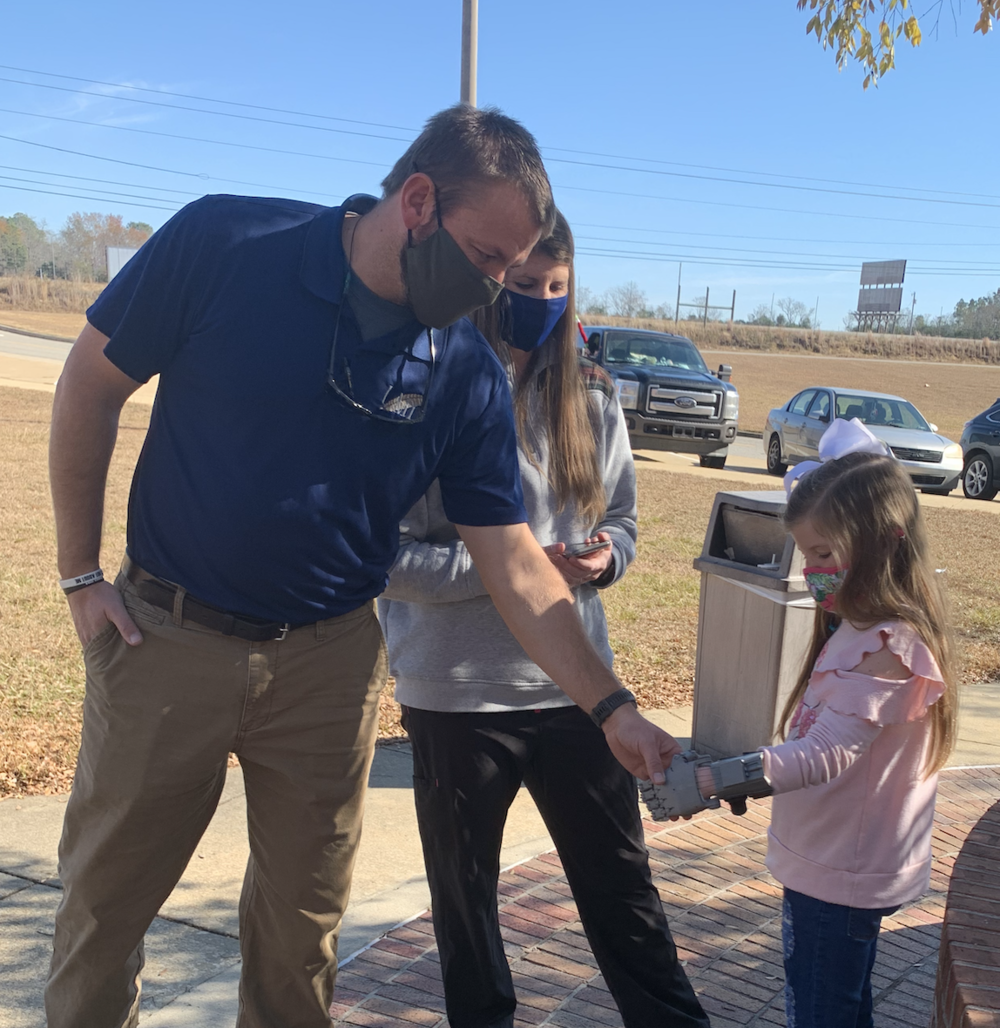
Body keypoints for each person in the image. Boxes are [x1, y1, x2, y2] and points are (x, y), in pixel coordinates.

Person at [46, 105, 681, 1028]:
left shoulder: (461, 366)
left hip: (330, 664)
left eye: (514, 268)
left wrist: (611, 707)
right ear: (417, 200)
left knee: (302, 930)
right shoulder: (228, 239)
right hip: (168, 634)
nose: (500, 288)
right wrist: (79, 572)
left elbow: (511, 559)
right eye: (489, 257)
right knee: (106, 911)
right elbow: (91, 383)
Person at [378, 212, 709, 1028]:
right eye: (525, 286)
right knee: (467, 919)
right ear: (490, 281)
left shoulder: (591, 397)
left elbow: (624, 519)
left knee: (625, 897)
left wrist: (606, 560)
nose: (542, 303)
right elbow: (386, 557)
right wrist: (510, 576)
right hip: (454, 694)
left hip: (574, 689)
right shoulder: (429, 391)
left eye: (558, 289)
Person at [691, 420, 957, 1028]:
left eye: (823, 554)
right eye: (806, 555)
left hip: (841, 873)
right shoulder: (857, 629)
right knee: (836, 1003)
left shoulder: (888, 645)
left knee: (819, 1010)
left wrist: (724, 778)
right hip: (828, 863)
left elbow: (825, 753)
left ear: (884, 543)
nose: (811, 571)